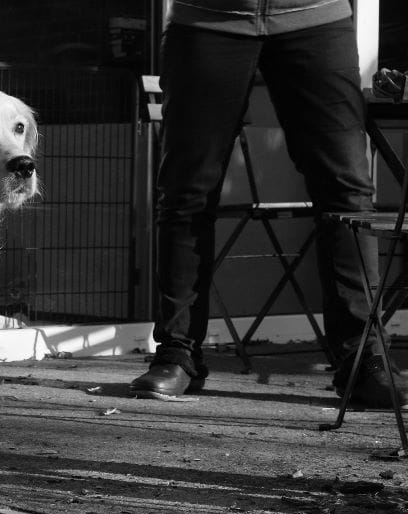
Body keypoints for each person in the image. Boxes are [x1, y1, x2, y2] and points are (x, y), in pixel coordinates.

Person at [130, 0, 408, 408]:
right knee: (185, 192)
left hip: (316, 15)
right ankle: (177, 352)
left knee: (346, 192)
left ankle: (364, 359)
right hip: (206, 19)